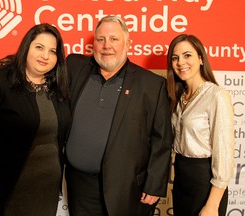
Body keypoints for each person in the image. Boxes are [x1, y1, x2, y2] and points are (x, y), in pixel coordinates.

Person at [65, 15, 173, 216]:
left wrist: (155, 183)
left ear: (128, 43)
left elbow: (162, 139)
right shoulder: (75, 67)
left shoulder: (151, 85)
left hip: (127, 190)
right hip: (80, 187)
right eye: (101, 39)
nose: (107, 45)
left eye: (114, 39)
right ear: (94, 44)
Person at [0, 23, 71, 216]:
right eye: (39, 47)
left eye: (52, 51)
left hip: (46, 193)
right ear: (26, 47)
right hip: (9, 191)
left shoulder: (57, 89)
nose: (45, 55)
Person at [166, 34, 235, 216]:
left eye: (187, 55)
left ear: (201, 59)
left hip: (205, 184)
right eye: (175, 57)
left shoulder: (216, 95)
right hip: (181, 182)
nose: (181, 62)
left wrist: (212, 205)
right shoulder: (178, 98)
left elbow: (225, 155)